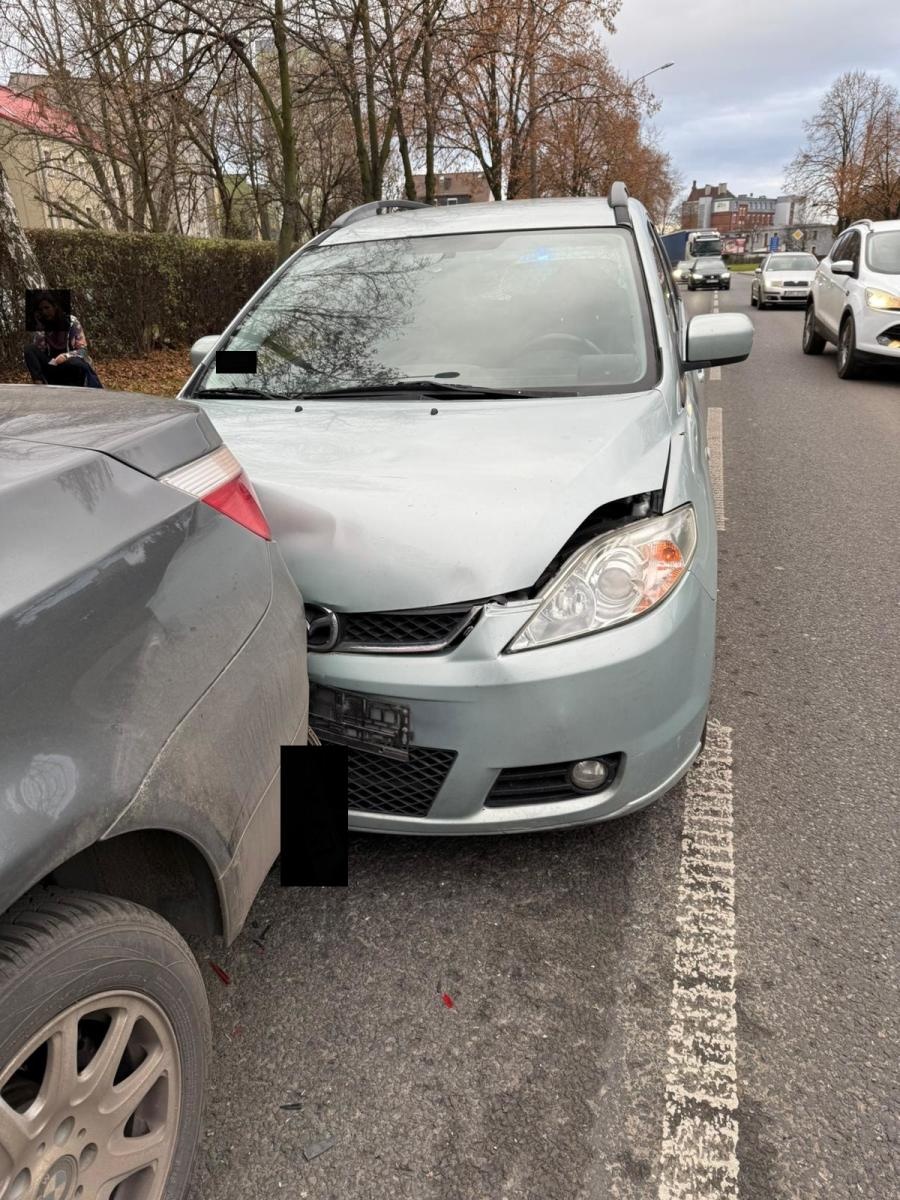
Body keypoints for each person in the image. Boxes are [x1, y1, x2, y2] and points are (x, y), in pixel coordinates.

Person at [24, 293, 103, 388]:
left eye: (47, 308)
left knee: (75, 362)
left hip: (70, 365)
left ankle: (76, 388)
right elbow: (39, 352)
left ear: (55, 307)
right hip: (53, 365)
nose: (44, 312)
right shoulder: (42, 325)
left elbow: (83, 351)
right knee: (29, 349)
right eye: (41, 310)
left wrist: (66, 356)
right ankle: (40, 386)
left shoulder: (72, 322)